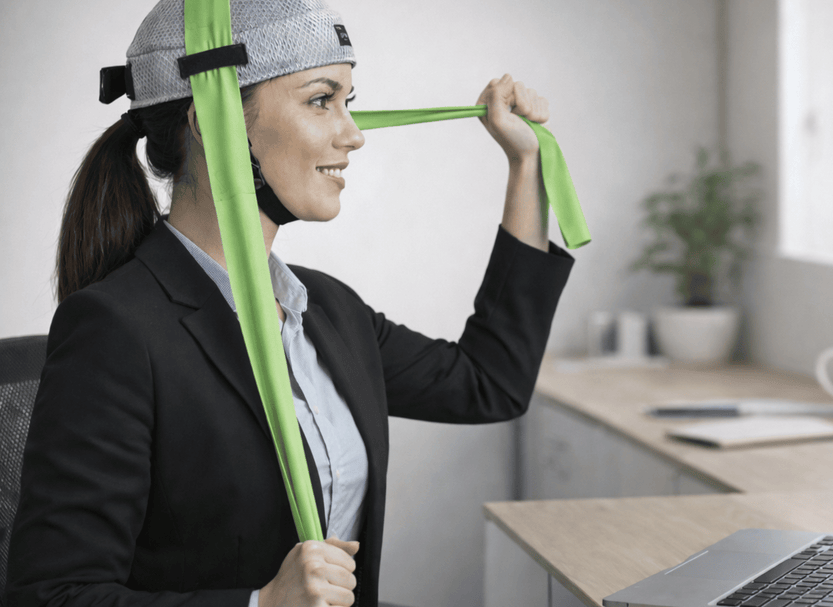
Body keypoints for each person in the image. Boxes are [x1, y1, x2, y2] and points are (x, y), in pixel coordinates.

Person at [5, 1, 573, 606]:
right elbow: (52, 596)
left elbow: (491, 383)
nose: (352, 134)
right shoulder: (115, 330)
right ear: (213, 121)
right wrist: (260, 604)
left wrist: (525, 163)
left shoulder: (327, 311)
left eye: (349, 102)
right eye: (321, 99)